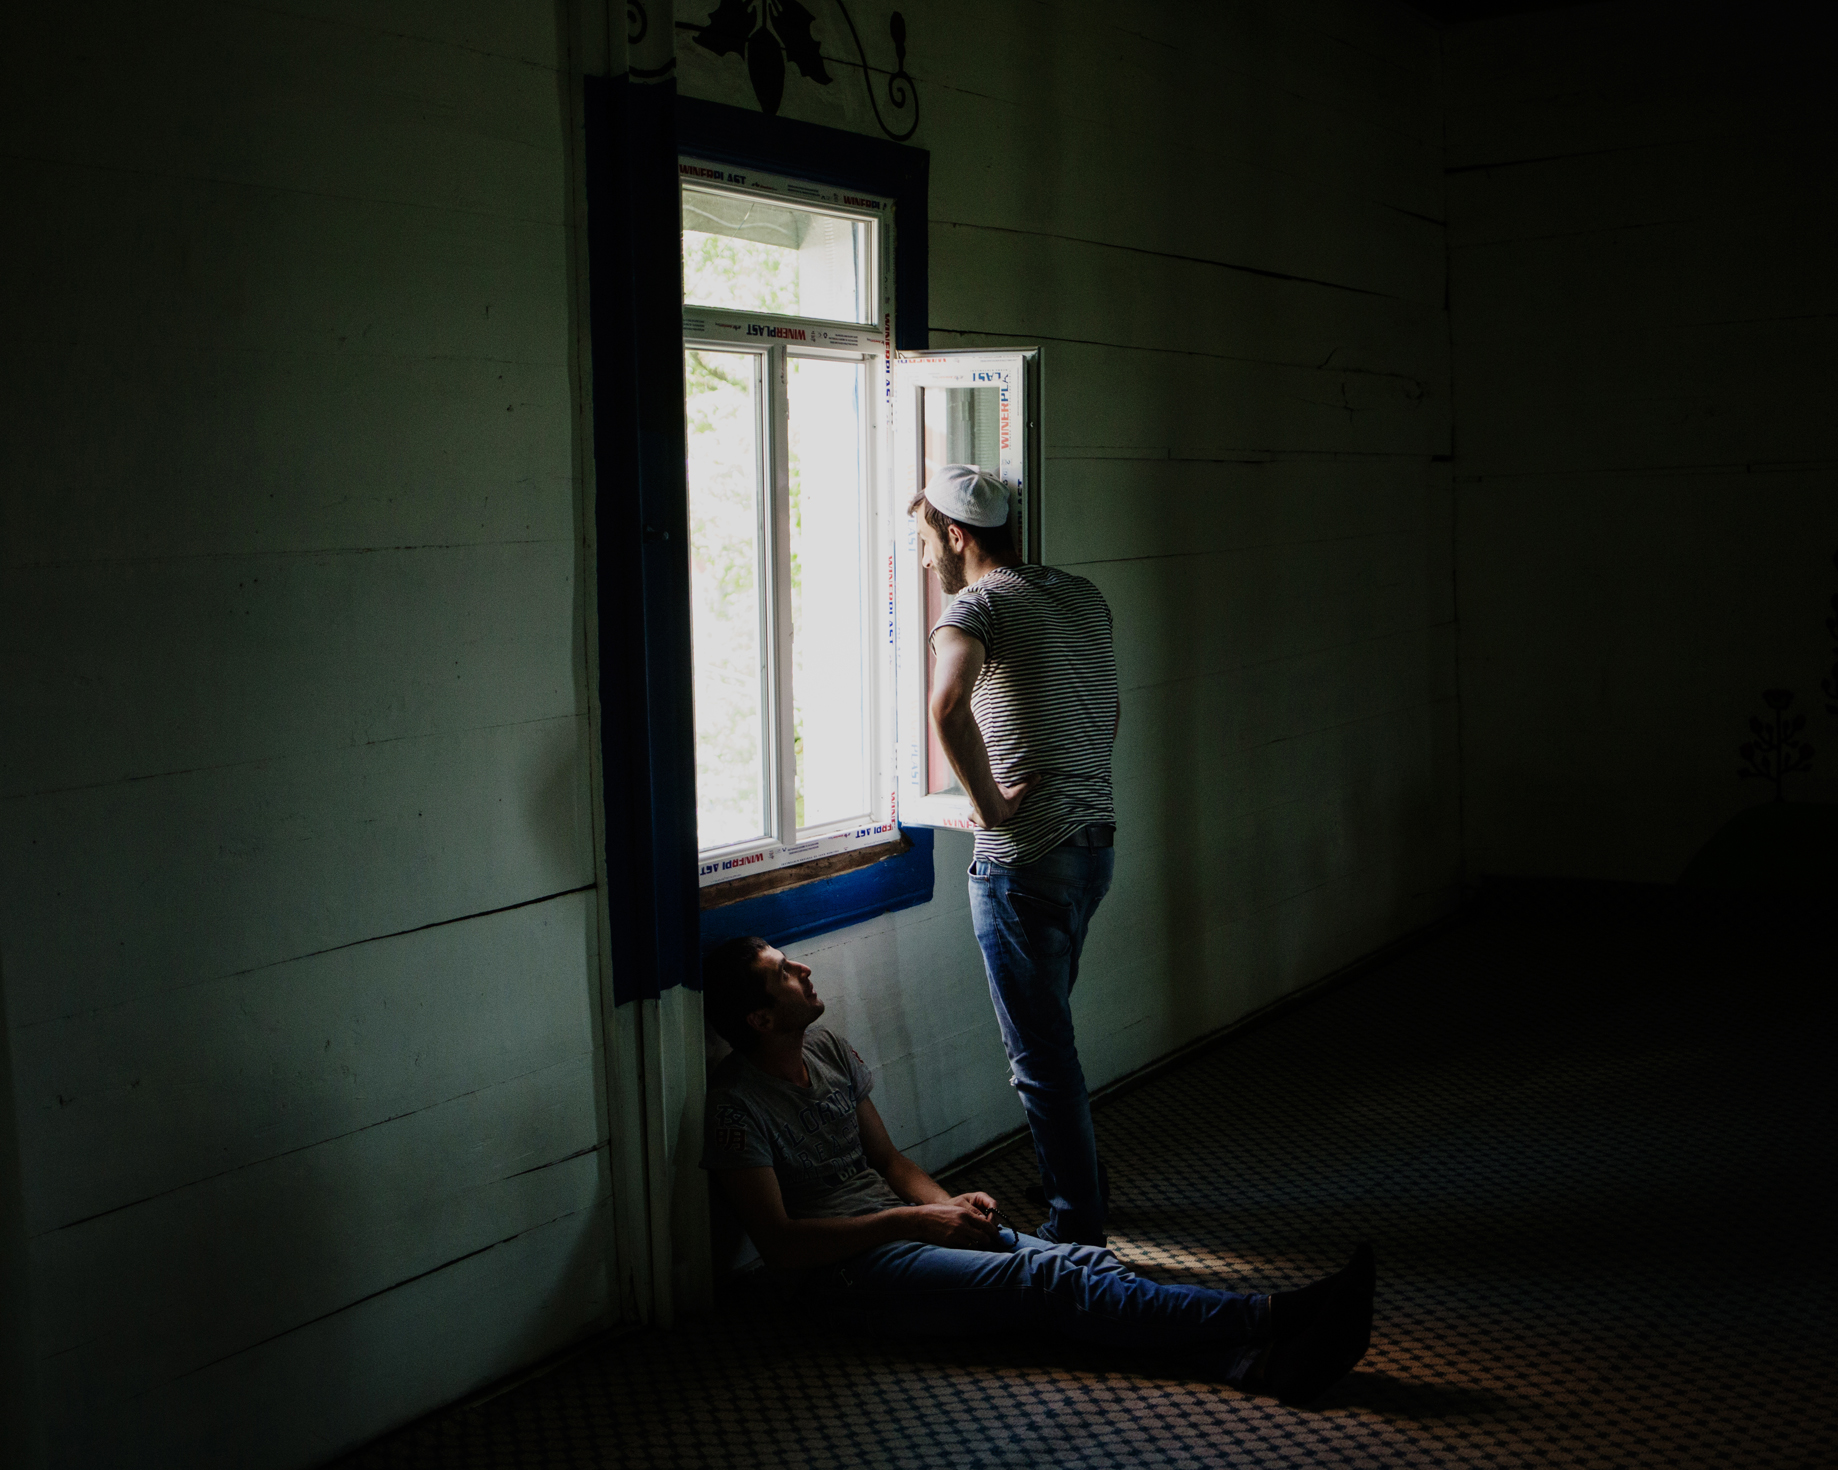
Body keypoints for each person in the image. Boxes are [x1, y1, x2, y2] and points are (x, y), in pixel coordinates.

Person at [699, 935, 1375, 1404]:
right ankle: (1268, 1314)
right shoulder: (736, 1107)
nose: (807, 973)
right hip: (842, 1275)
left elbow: (888, 1159)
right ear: (759, 1018)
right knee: (1046, 1277)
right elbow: (782, 1248)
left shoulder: (827, 1048)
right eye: (786, 973)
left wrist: (950, 1207)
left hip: (902, 1230)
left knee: (1086, 1266)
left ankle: (1251, 1363)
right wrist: (915, 1221)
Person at [912, 464, 1120, 1245]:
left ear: (958, 536)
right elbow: (1109, 710)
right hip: (1092, 847)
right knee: (1051, 1036)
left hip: (1023, 860)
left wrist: (994, 806)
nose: (925, 556)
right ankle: (1085, 1181)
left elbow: (946, 706)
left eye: (928, 539)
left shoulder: (976, 608)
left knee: (1040, 1056)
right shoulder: (1077, 595)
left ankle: (1078, 1229)